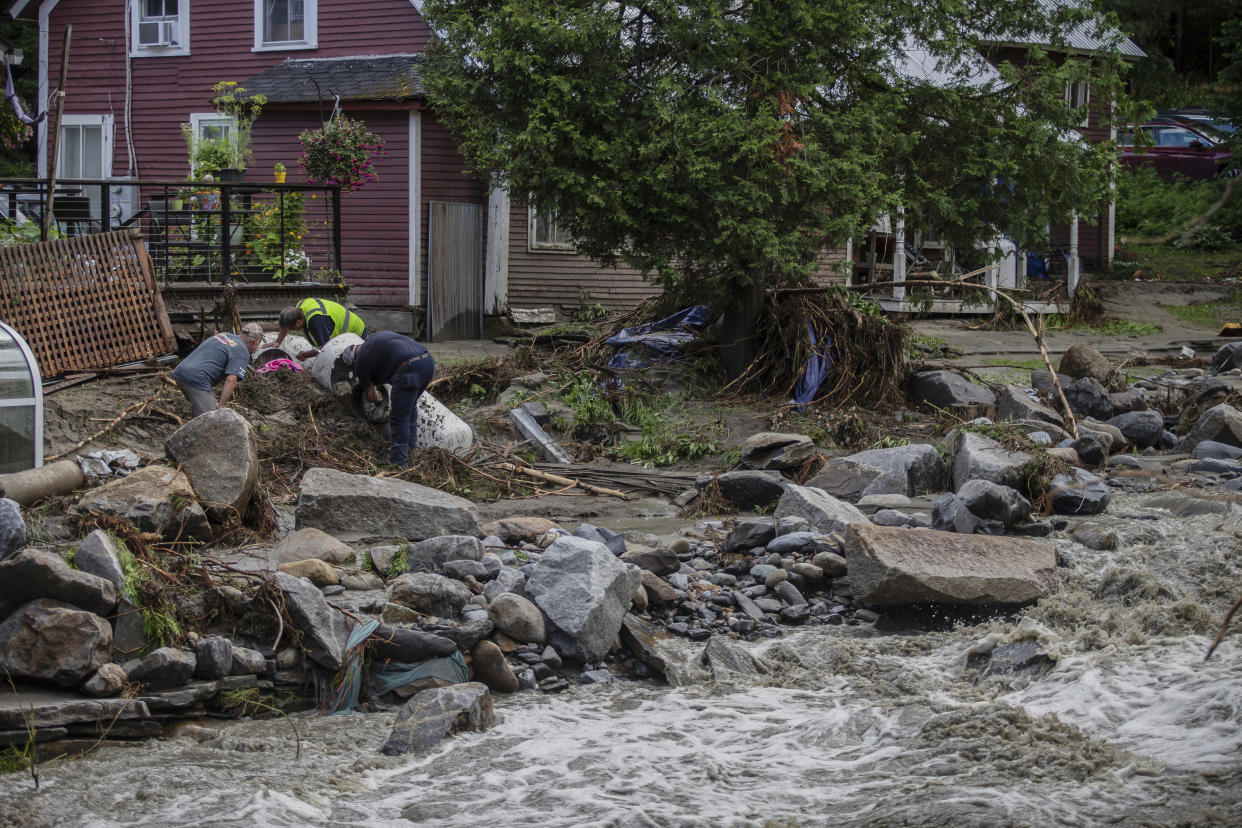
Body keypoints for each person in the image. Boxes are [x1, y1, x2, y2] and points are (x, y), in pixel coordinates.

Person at [342, 332, 435, 466]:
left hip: (408, 368)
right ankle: (411, 451)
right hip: (427, 363)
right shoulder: (372, 342)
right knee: (409, 408)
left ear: (353, 360)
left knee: (398, 417)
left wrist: (375, 397)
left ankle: (399, 463)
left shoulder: (361, 361)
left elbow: (370, 395)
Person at [172, 323, 263, 417]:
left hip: (180, 371)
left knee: (200, 409)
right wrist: (221, 406)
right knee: (211, 418)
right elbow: (231, 380)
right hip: (197, 379)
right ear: (255, 341)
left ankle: (193, 426)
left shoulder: (224, 335)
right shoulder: (242, 351)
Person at [275, 299, 367, 359]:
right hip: (341, 327)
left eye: (292, 328)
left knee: (349, 361)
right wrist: (278, 342)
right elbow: (286, 324)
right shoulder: (299, 306)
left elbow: (325, 348)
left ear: (298, 322)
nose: (291, 330)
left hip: (355, 332)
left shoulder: (316, 321)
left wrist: (305, 355)